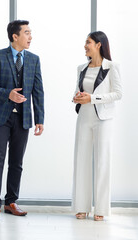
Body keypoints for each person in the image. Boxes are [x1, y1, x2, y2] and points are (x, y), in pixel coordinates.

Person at [0, 20, 44, 218]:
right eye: (26, 33)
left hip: (23, 118)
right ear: (15, 36)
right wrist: (7, 94)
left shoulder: (34, 59)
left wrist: (39, 118)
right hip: (0, 116)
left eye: (30, 32)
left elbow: (38, 91)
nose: (30, 37)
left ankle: (11, 202)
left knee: (17, 162)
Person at [72, 31, 122, 221]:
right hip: (84, 117)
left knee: (102, 162)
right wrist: (76, 97)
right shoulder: (81, 68)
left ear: (99, 44)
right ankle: (81, 207)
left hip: (103, 119)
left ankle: (100, 208)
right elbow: (77, 91)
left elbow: (118, 93)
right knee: (81, 161)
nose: (85, 45)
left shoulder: (112, 67)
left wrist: (92, 98)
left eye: (88, 42)